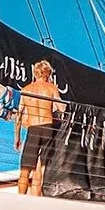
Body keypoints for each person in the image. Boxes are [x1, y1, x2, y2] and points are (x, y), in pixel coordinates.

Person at [15, 60, 64, 196]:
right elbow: (62, 109)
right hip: (48, 127)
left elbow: (18, 116)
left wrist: (17, 137)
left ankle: (20, 198)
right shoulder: (51, 88)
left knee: (25, 169)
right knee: (40, 169)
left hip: (33, 129)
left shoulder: (26, 90)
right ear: (47, 73)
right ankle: (36, 199)